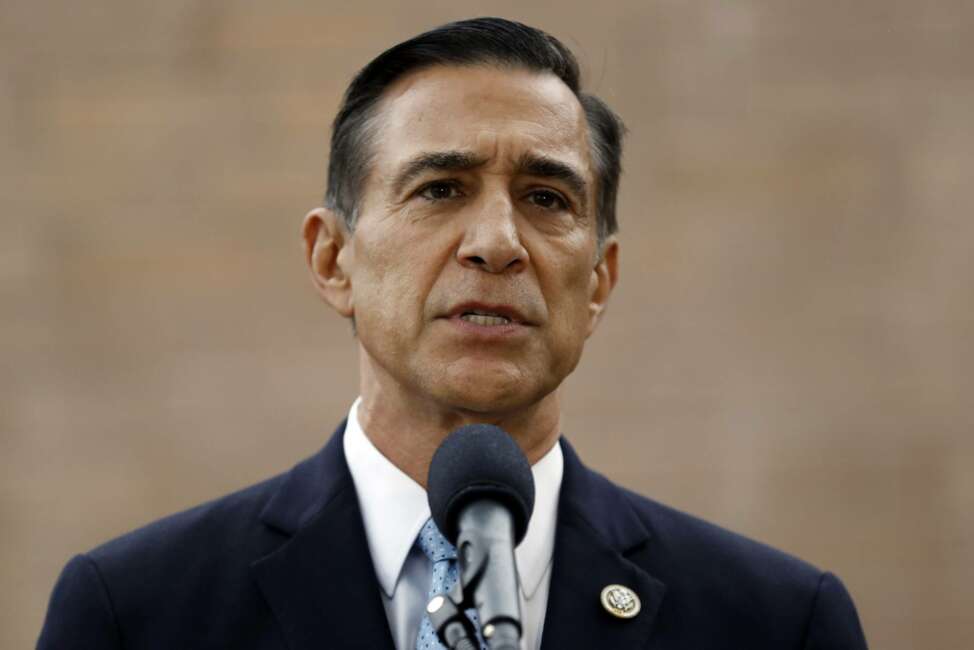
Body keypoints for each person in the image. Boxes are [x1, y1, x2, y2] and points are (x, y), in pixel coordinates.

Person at [37, 17, 868, 650]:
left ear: (599, 282)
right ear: (334, 260)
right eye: (440, 189)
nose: (498, 242)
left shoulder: (775, 622)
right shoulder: (137, 612)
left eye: (547, 198)